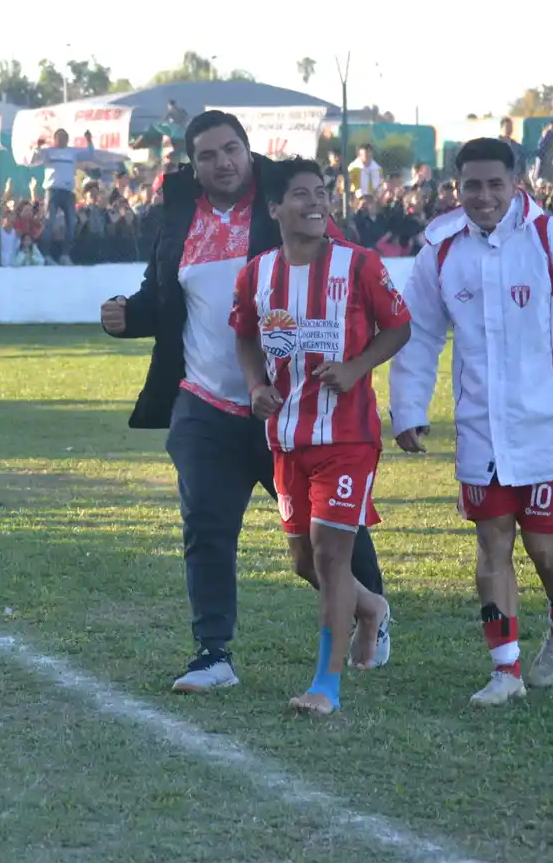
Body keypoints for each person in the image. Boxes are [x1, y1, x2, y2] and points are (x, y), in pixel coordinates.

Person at [99, 111, 388, 692]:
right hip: (203, 402)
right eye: (208, 155)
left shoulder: (283, 205)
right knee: (205, 525)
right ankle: (213, 654)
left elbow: (340, 284)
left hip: (291, 407)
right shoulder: (179, 216)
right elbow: (163, 296)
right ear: (193, 164)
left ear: (249, 152)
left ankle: (371, 607)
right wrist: (128, 316)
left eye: (231, 149)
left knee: (323, 537)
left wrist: (348, 368)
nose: (222, 162)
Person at [389, 137, 553, 707]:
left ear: (517, 182)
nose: (484, 196)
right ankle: (505, 669)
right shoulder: (440, 250)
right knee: (492, 542)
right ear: (456, 186)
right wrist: (409, 409)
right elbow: (417, 334)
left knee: (543, 546)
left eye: (495, 184)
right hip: (480, 432)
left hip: (548, 428)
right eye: (472, 185)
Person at [230, 158, 407, 715]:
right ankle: (371, 607)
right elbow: (246, 337)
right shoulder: (257, 273)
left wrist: (355, 369)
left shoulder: (360, 265)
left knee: (332, 558)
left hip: (348, 437)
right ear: (275, 208)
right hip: (287, 437)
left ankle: (324, 686)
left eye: (322, 192)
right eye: (301, 194)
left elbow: (399, 326)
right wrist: (257, 385)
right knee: (305, 563)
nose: (315, 202)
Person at [30, 129, 126, 265]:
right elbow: (33, 160)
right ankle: (46, 255)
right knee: (49, 224)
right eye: (60, 137)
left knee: (72, 223)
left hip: (68, 191)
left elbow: (90, 154)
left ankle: (65, 255)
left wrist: (89, 140)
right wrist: (38, 147)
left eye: (65, 137)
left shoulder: (72, 152)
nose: (63, 140)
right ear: (55, 138)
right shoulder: (49, 152)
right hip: (53, 191)